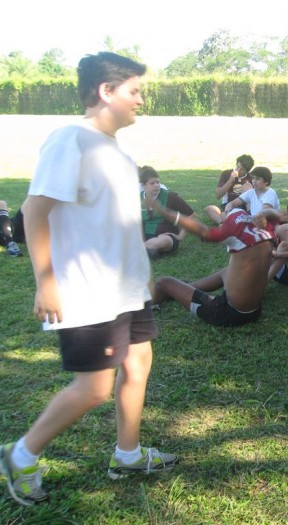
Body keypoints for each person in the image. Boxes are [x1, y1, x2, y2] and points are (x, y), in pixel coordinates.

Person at [0, 52, 178, 508]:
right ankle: (21, 455)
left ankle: (128, 455)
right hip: (88, 292)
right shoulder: (70, 141)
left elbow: (116, 222)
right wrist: (46, 282)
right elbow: (34, 211)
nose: (141, 100)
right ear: (106, 91)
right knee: (94, 387)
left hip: (126, 288)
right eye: (134, 90)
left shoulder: (118, 152)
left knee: (139, 363)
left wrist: (142, 271)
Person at [149, 201, 273, 328]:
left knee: (164, 282)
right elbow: (278, 215)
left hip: (228, 313)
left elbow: (202, 231)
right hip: (254, 310)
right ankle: (185, 289)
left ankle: (143, 305)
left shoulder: (233, 229)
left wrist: (164, 211)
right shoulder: (265, 230)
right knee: (225, 272)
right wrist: (265, 214)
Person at [140, 166, 195, 259]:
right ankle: (149, 250)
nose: (156, 185)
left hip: (166, 236)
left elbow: (191, 215)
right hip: (145, 236)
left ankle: (140, 250)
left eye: (158, 182)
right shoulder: (137, 198)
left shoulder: (171, 197)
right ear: (144, 185)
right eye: (152, 183)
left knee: (164, 241)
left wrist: (180, 236)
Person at [204, 154, 255, 224]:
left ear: (247, 171)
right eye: (238, 166)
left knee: (248, 187)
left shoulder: (251, 178)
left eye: (242, 169)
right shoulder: (227, 174)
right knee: (210, 209)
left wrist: (248, 190)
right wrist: (230, 181)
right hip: (227, 205)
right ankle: (222, 224)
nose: (238, 170)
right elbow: (218, 196)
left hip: (243, 207)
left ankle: (247, 217)